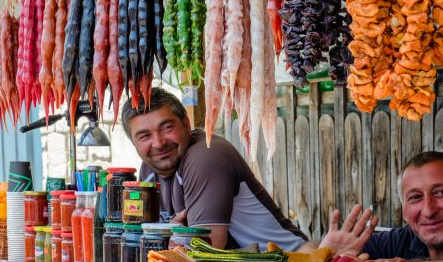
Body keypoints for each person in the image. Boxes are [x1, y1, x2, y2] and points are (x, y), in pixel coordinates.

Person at [121, 87, 309, 251]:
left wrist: (168, 237)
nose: (158, 143)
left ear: (186, 124)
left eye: (167, 127)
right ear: (133, 143)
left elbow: (206, 250)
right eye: (144, 136)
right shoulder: (151, 167)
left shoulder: (206, 155)